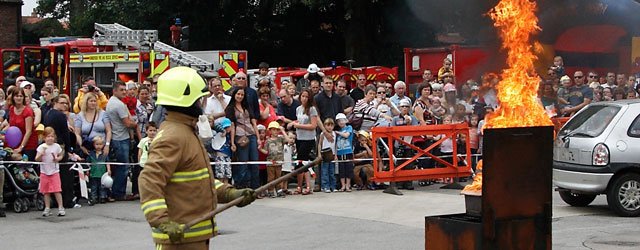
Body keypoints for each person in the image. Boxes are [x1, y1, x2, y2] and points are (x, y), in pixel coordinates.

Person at [139, 67, 256, 249]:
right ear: (187, 100)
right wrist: (162, 222)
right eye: (199, 99)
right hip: (178, 241)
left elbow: (199, 179)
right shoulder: (173, 137)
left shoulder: (186, 131)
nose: (202, 103)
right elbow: (149, 181)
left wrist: (230, 193)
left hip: (192, 239)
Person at [105, 81, 138, 200]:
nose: (124, 92)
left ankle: (117, 191)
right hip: (120, 138)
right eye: (122, 90)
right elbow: (127, 123)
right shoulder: (118, 105)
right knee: (123, 167)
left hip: (117, 137)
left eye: (125, 89)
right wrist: (136, 124)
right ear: (114, 91)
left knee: (120, 166)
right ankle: (119, 193)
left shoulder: (112, 102)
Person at [225, 87, 261, 189]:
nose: (240, 96)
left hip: (252, 135)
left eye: (242, 95)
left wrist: (258, 138)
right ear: (234, 95)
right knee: (243, 163)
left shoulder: (247, 106)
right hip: (240, 137)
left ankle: (255, 187)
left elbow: (254, 123)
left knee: (255, 162)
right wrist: (232, 142)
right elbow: (232, 126)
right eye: (238, 94)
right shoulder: (230, 108)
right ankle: (241, 186)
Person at [287, 89, 316, 195]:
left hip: (308, 139)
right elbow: (299, 121)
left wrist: (298, 125)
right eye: (302, 96)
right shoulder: (298, 108)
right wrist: (293, 123)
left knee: (303, 162)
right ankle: (299, 186)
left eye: (306, 96)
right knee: (300, 162)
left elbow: (313, 125)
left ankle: (308, 186)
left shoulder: (312, 109)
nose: (304, 98)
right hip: (299, 137)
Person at [35, 127, 65, 217]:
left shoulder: (56, 146)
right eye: (48, 136)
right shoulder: (41, 147)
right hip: (44, 172)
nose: (50, 138)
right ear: (44, 137)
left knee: (57, 190)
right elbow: (37, 159)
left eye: (52, 136)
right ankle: (47, 208)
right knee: (46, 191)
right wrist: (42, 153)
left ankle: (61, 207)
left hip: (55, 171)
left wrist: (57, 159)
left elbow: (61, 155)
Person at [258, 121, 293, 198]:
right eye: (273, 130)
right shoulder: (268, 141)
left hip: (279, 162)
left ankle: (279, 190)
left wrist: (283, 131)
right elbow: (266, 151)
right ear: (270, 131)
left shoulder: (280, 139)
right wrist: (260, 149)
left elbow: (289, 140)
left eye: (277, 130)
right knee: (271, 178)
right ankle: (270, 191)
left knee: (278, 177)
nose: (275, 131)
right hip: (270, 163)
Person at [75, 92, 112, 157]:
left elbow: (108, 131)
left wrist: (107, 145)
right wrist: (81, 146)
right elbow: (77, 133)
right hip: (88, 147)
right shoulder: (80, 116)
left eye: (95, 101)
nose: (93, 103)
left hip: (101, 147)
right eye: (91, 101)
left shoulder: (103, 114)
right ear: (86, 102)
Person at [7, 87, 38, 160]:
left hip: (29, 143)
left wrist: (21, 147)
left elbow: (29, 131)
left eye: (21, 96)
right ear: (13, 97)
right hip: (16, 141)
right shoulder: (11, 109)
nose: (19, 98)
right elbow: (11, 126)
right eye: (17, 96)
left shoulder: (28, 111)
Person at [135, 121, 158, 200]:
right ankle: (143, 194)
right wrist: (139, 161)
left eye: (154, 131)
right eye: (150, 130)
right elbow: (140, 151)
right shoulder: (143, 140)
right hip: (143, 163)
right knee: (144, 179)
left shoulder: (157, 140)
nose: (152, 132)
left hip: (153, 162)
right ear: (146, 131)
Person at [87, 136, 110, 205]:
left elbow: (107, 163)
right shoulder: (91, 154)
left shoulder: (104, 154)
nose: (99, 146)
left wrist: (109, 169)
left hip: (102, 173)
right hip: (93, 173)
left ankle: (102, 197)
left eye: (100, 144)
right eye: (97, 144)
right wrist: (87, 171)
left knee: (102, 186)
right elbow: (88, 163)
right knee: (93, 186)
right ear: (94, 145)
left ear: (103, 145)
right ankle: (94, 197)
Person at [334, 113, 354, 192]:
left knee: (348, 169)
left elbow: (346, 135)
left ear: (345, 120)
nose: (341, 122)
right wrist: (335, 154)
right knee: (341, 170)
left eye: (342, 120)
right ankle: (343, 186)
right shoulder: (337, 130)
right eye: (339, 121)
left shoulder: (349, 127)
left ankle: (348, 185)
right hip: (339, 152)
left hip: (348, 151)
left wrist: (338, 133)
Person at [318, 118, 337, 193]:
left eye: (331, 125)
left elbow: (335, 145)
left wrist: (335, 154)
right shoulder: (323, 134)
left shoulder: (334, 134)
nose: (330, 127)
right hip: (325, 154)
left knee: (332, 171)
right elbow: (320, 144)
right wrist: (319, 154)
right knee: (325, 171)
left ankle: (333, 186)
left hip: (332, 154)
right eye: (327, 125)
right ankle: (325, 186)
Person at [211, 118, 232, 185]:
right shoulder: (219, 133)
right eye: (226, 127)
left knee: (227, 175)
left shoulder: (230, 135)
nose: (227, 129)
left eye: (228, 127)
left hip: (227, 156)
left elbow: (233, 127)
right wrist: (223, 130)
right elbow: (216, 125)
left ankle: (226, 188)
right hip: (220, 156)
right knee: (220, 175)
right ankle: (221, 190)